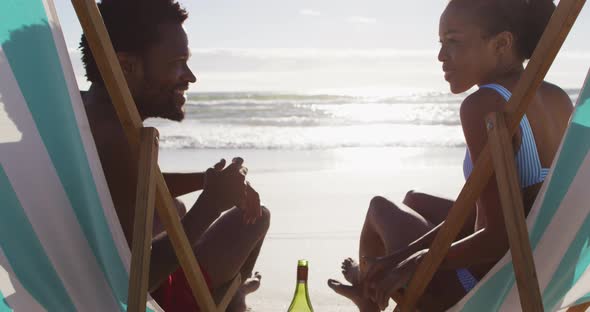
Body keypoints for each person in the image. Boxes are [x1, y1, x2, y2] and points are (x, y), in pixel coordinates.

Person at [328, 0, 573, 310]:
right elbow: (510, 208)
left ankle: (369, 292)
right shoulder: (558, 98)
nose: (441, 56)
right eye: (441, 43)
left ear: (501, 44)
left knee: (380, 209)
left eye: (453, 42)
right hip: (546, 277)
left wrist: (411, 264)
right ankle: (376, 271)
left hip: (487, 288)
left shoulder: (484, 105)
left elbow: (499, 239)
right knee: (415, 200)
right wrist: (398, 257)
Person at [79, 1, 270, 311]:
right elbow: (134, 281)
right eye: (178, 63)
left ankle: (234, 295)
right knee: (256, 219)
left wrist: (204, 182)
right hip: (134, 295)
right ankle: (232, 299)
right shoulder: (119, 141)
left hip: (77, 272)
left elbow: (122, 186)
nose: (190, 77)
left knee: (173, 207)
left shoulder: (81, 113)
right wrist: (210, 204)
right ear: (126, 66)